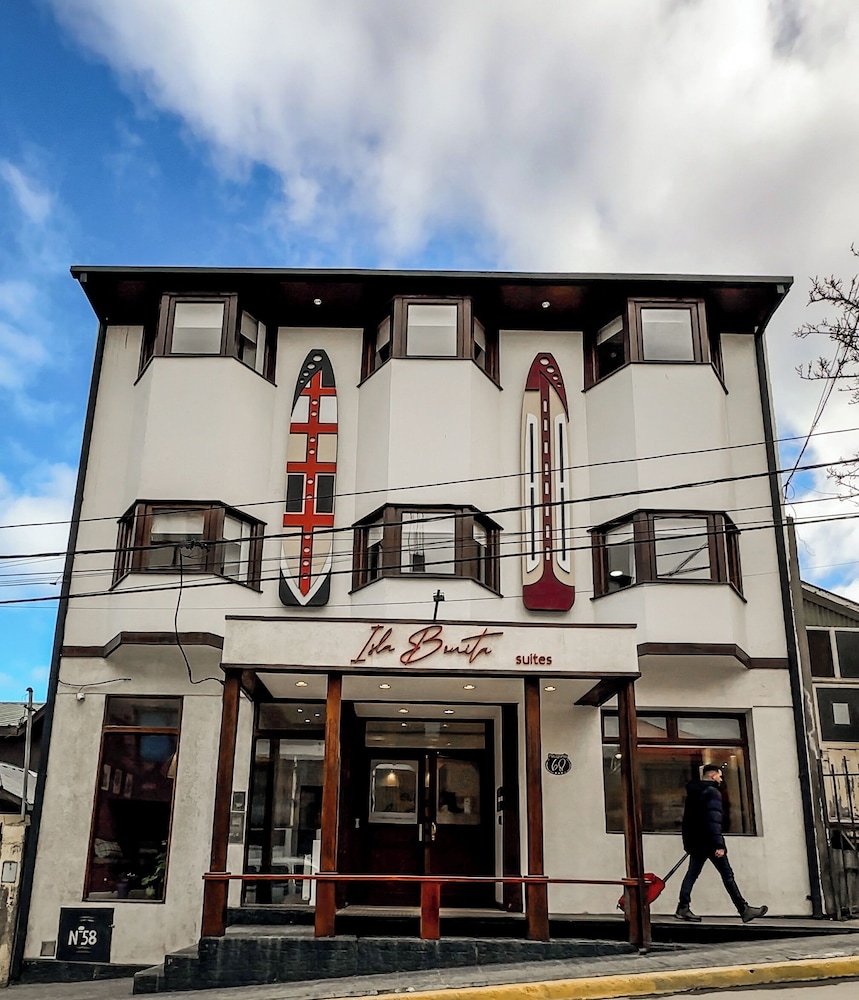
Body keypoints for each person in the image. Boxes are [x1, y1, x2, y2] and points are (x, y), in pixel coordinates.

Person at [675, 763, 768, 923]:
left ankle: (683, 907)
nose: (721, 778)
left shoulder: (694, 792)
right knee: (727, 875)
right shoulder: (712, 792)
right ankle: (744, 909)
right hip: (710, 842)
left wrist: (689, 843)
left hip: (697, 842)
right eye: (719, 775)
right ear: (713, 776)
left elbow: (688, 821)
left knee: (692, 874)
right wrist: (718, 845)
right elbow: (713, 819)